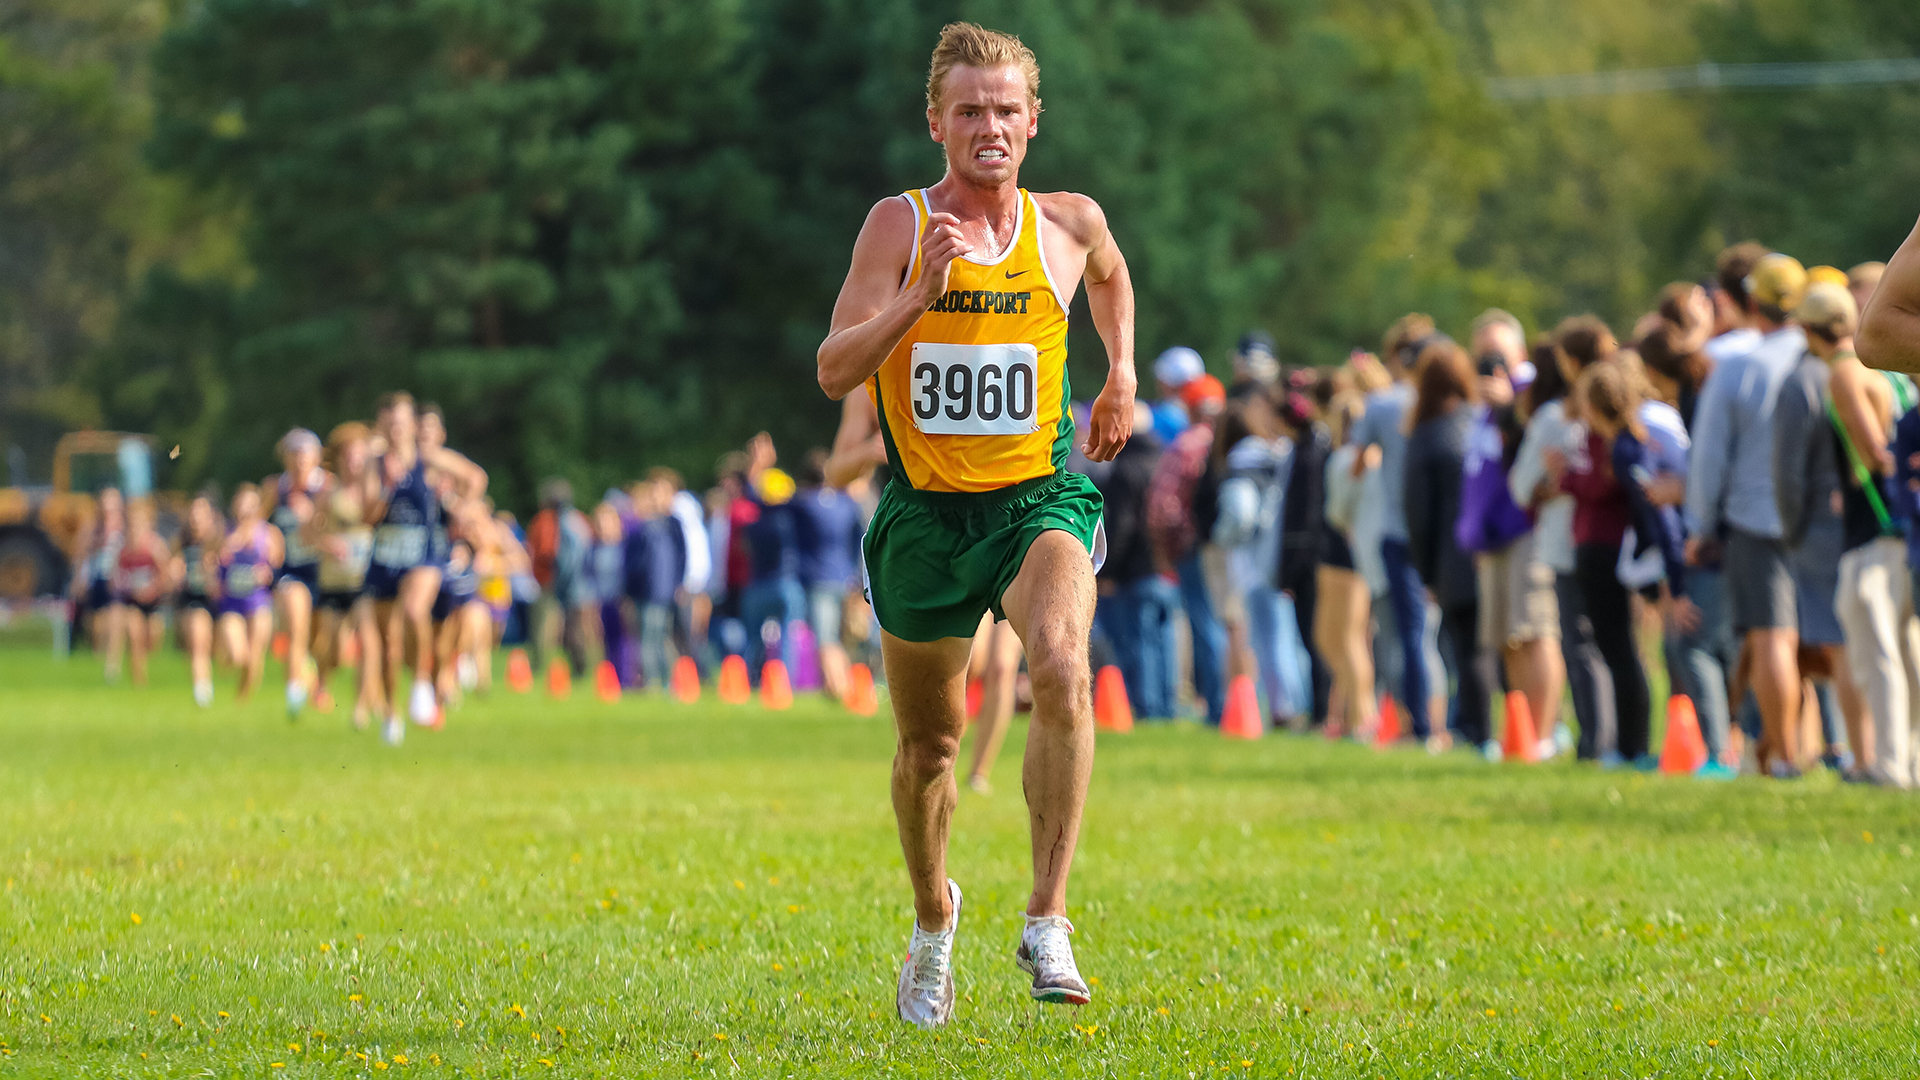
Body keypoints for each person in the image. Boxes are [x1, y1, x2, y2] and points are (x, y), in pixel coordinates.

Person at [815, 21, 1134, 1026]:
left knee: (1062, 665)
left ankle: (1047, 916)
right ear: (936, 123)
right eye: (969, 111)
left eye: (1005, 110)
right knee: (930, 750)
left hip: (1037, 501)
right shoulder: (898, 225)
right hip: (924, 518)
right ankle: (932, 919)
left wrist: (1121, 371)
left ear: (1033, 121)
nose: (988, 126)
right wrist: (919, 295)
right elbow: (833, 369)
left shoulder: (1070, 222)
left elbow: (1112, 275)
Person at [1687, 253, 1810, 777]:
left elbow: (1709, 457)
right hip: (1819, 519)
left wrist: (1698, 525)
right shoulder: (1820, 361)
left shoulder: (1739, 368)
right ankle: (1822, 747)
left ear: (1752, 302)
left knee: (1771, 636)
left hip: (1758, 518)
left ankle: (1785, 755)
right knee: (1819, 641)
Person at [1571, 360, 1695, 770]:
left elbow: (1658, 514)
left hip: (1670, 558)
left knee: (1640, 653)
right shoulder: (1635, 439)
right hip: (1665, 556)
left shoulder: (1627, 448)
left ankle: (1634, 747)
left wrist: (1675, 581)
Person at [1461, 316, 1564, 758]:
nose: (1490, 362)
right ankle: (1520, 736)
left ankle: (1545, 734)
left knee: (1536, 631)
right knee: (1508, 638)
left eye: (1498, 352)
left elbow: (1538, 453)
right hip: (1491, 537)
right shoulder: (1480, 406)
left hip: (1526, 530)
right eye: (1482, 353)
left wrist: (1509, 407)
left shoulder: (1531, 393)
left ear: (1519, 353)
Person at [364, 392, 487, 745]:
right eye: (390, 423)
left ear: (411, 425)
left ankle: (421, 685)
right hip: (386, 556)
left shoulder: (428, 458)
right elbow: (367, 517)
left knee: (415, 611)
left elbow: (475, 477)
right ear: (382, 425)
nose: (396, 429)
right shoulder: (375, 464)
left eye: (402, 422)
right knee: (388, 644)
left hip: (424, 554)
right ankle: (391, 712)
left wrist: (464, 508)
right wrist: (385, 488)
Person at [1351, 315, 1443, 743]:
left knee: (1407, 635)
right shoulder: (1449, 404)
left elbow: (1356, 462)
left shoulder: (1384, 405)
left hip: (1398, 530)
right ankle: (1441, 723)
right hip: (1441, 530)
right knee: (1433, 635)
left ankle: (1417, 724)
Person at [1403, 341, 1489, 752]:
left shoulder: (1426, 434)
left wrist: (1425, 572)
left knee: (1465, 646)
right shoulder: (1481, 422)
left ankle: (1475, 727)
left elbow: (1418, 511)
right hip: (1491, 544)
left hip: (1450, 553)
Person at [1145, 373, 1228, 723]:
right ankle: (1229, 703)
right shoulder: (1228, 443)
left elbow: (1162, 506)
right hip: (1226, 546)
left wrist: (1166, 546)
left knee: (1203, 623)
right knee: (1225, 623)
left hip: (1191, 547)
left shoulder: (1186, 444)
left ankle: (1216, 707)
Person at [1092, 402, 1173, 719]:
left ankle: (1146, 706)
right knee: (1164, 641)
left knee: (1138, 642)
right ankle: (1167, 705)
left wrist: (1108, 569)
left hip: (1135, 569)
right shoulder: (1164, 459)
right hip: (1165, 566)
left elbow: (1122, 525)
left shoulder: (1125, 468)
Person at [313, 422, 379, 725]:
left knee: (369, 642)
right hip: (334, 581)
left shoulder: (376, 490)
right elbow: (307, 534)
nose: (355, 462)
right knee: (334, 650)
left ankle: (361, 708)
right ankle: (320, 682)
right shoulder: (329, 493)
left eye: (360, 456)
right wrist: (328, 543)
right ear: (340, 459)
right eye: (350, 456)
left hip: (365, 581)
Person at [1274, 390, 1333, 726]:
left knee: (1315, 637)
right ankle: (1322, 709)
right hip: (1313, 557)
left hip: (1306, 560)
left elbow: (1302, 518)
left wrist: (1289, 570)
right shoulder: (1311, 450)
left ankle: (1323, 710)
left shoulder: (1306, 457)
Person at [264, 428, 329, 717]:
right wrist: (269, 540)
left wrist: (312, 518)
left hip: (325, 572)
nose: (300, 461)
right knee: (296, 625)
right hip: (291, 570)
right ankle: (294, 692)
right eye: (294, 454)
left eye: (305, 454)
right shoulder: (275, 488)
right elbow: (257, 522)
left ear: (317, 457)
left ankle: (316, 682)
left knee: (322, 639)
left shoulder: (327, 487)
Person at [791, 450, 864, 703]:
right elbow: (859, 541)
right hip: (845, 578)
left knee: (825, 637)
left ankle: (838, 688)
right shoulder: (847, 504)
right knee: (843, 638)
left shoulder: (803, 503)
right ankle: (846, 684)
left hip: (817, 578)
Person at [217, 483, 284, 703]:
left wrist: (267, 571)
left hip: (259, 600)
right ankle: (228, 661)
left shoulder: (268, 533)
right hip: (231, 602)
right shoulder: (224, 533)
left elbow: (279, 565)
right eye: (242, 504)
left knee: (255, 653)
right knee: (239, 654)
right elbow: (208, 558)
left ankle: (242, 701)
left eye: (251, 504)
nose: (246, 509)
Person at [110, 498, 172, 690]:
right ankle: (139, 685)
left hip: (154, 602)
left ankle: (142, 670)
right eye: (131, 524)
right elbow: (114, 578)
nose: (134, 528)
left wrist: (151, 589)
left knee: (151, 640)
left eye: (138, 523)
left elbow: (166, 578)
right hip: (132, 601)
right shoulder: (122, 549)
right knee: (133, 633)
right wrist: (126, 586)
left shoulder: (155, 547)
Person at [71, 485, 125, 680]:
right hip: (96, 580)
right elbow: (81, 557)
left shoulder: (125, 530)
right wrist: (79, 580)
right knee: (96, 628)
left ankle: (113, 665)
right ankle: (99, 658)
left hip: (117, 582)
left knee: (116, 617)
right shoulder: (92, 530)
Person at [173, 492, 222, 707]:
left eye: (201, 513)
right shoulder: (181, 542)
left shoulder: (221, 542)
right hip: (193, 599)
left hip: (222, 603)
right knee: (197, 640)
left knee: (226, 652)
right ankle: (202, 691)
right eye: (193, 512)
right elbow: (171, 569)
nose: (196, 518)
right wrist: (175, 573)